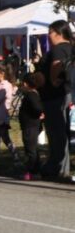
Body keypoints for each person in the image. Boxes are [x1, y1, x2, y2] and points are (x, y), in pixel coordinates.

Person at [38, 20, 73, 181]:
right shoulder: (71, 48)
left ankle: (58, 169)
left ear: (59, 33)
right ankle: (61, 169)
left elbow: (56, 65)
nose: (48, 35)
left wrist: (53, 79)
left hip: (55, 98)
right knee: (61, 133)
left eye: (50, 32)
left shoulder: (58, 49)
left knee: (56, 133)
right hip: (63, 95)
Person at [19, 72, 44, 181]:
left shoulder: (31, 95)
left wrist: (40, 114)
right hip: (31, 125)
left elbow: (37, 108)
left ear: (25, 83)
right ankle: (37, 170)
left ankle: (31, 171)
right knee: (33, 149)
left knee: (30, 150)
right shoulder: (34, 94)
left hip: (30, 126)